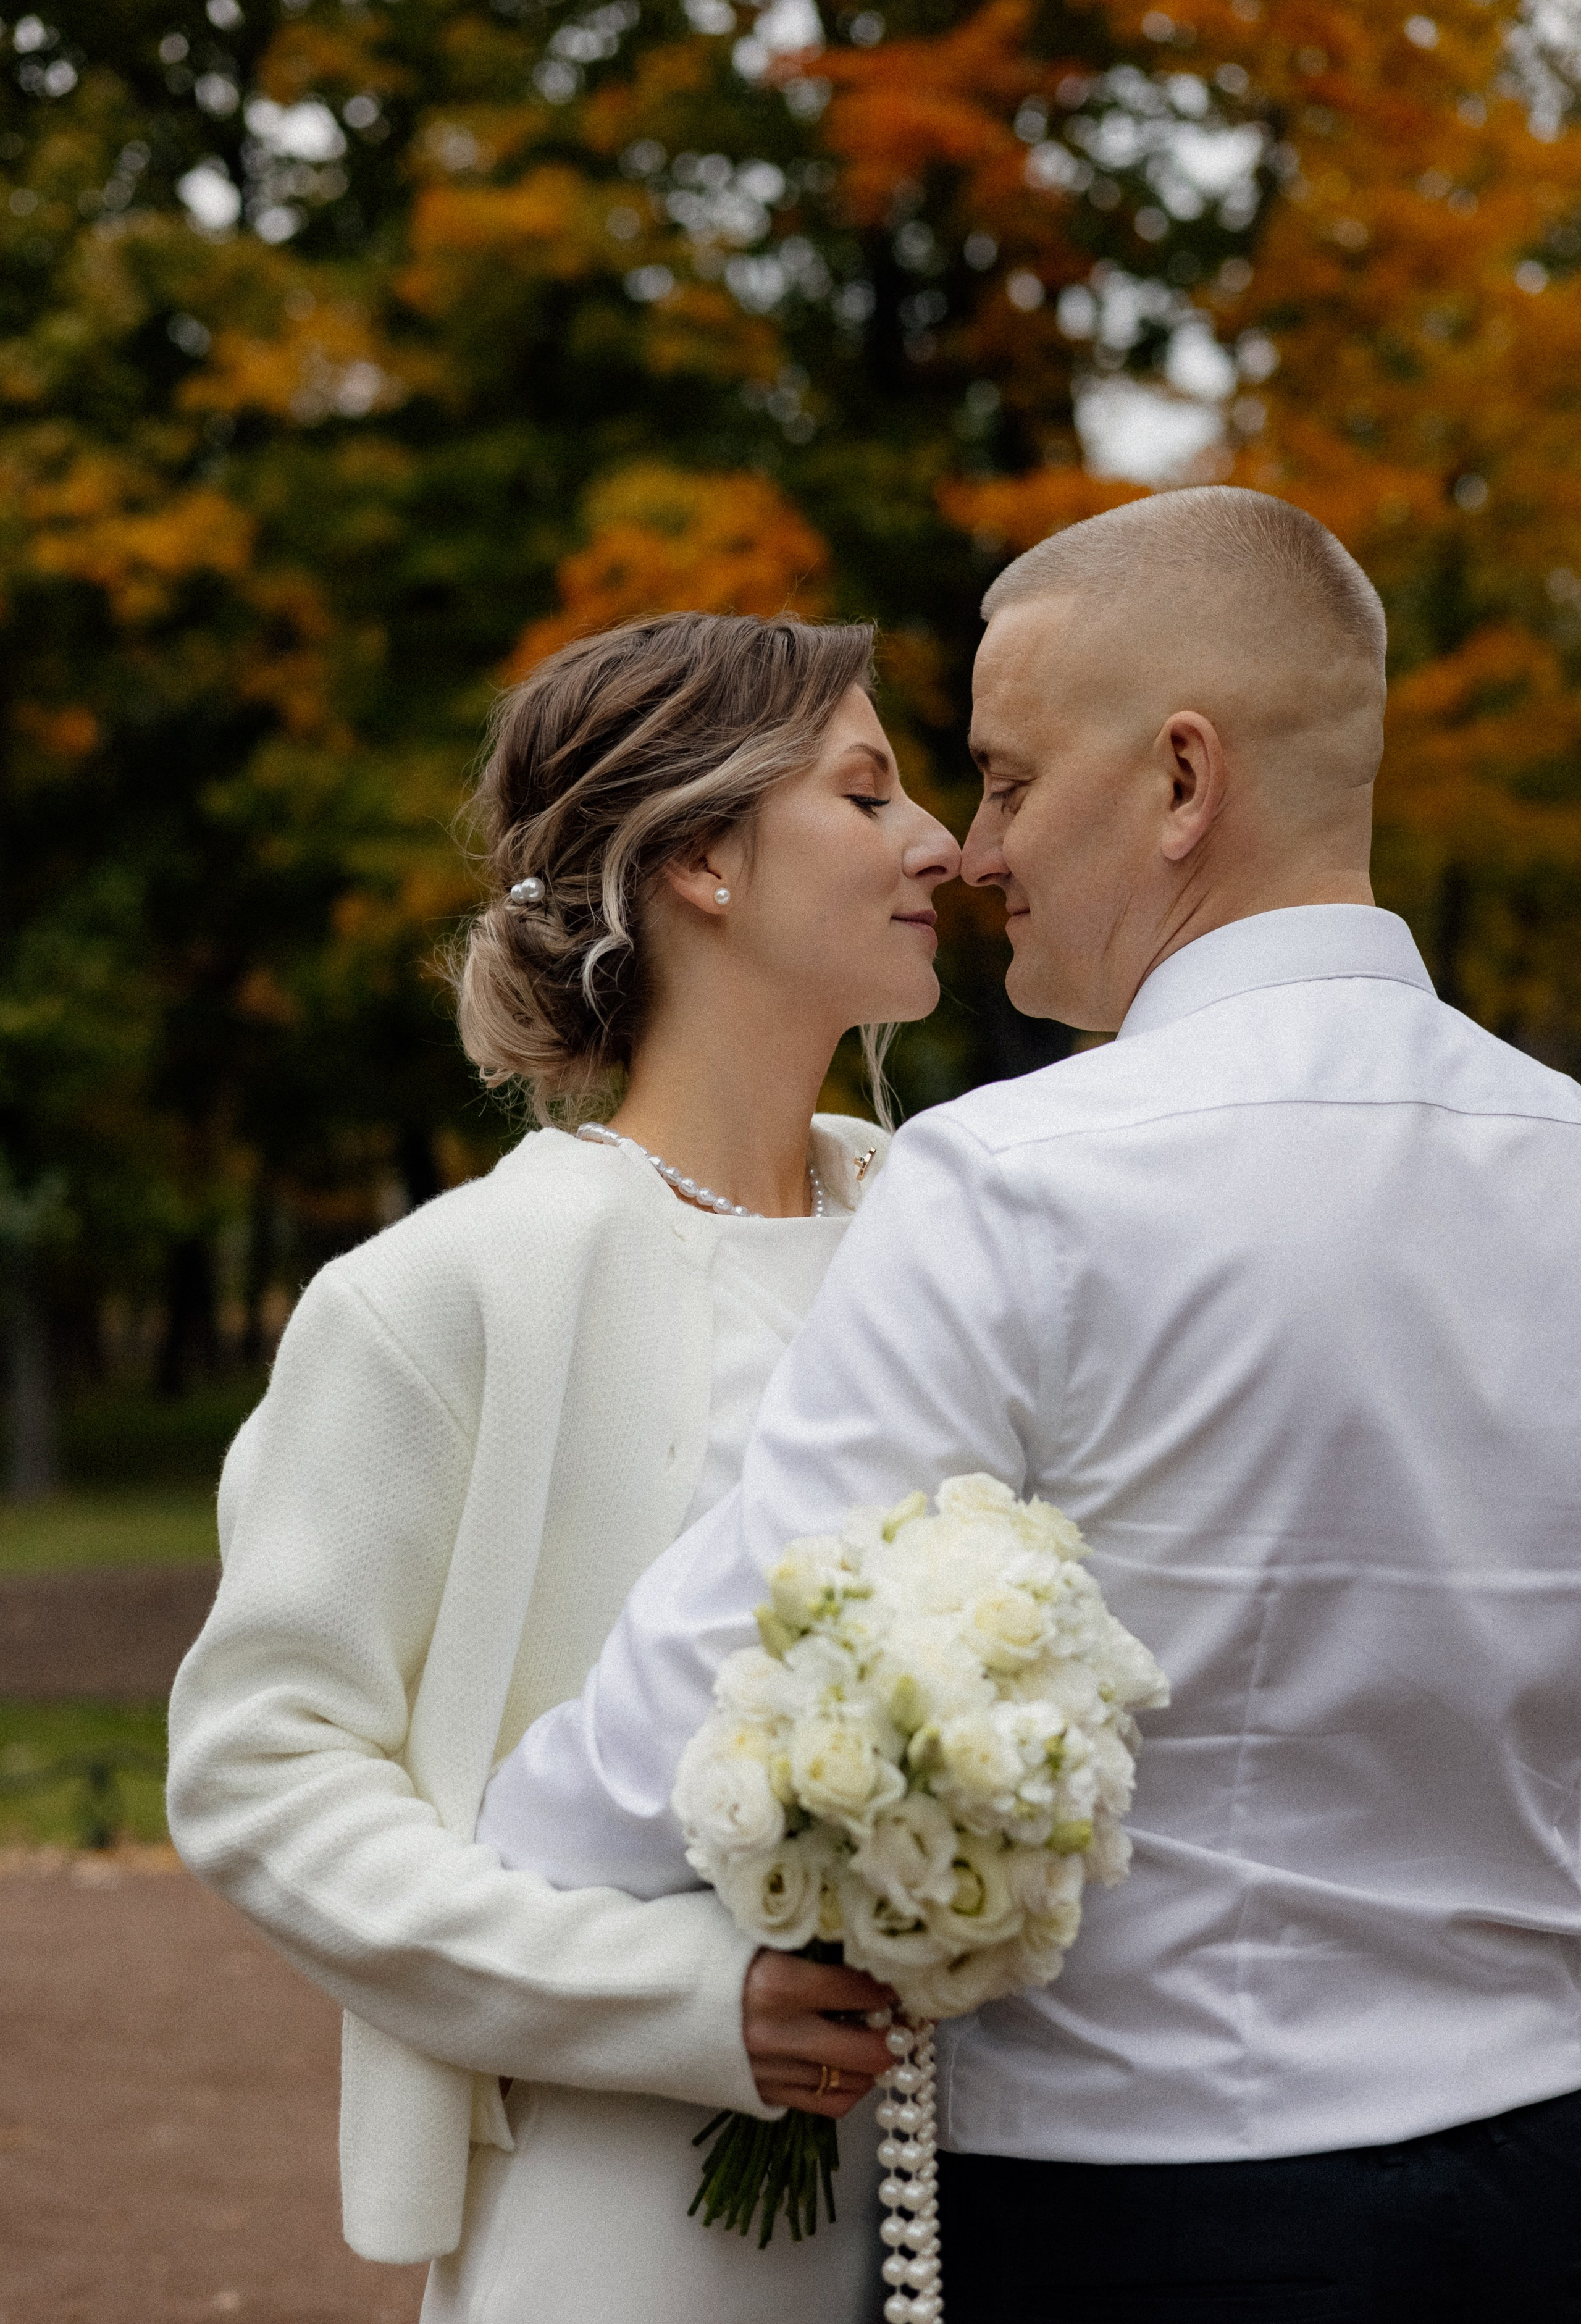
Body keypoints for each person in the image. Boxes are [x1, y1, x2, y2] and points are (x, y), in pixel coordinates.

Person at [480, 489, 1581, 2323]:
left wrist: (503, 1857)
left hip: (1146, 2216)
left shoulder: (1019, 1178)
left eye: (1002, 778)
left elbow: (743, 1655)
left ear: (1180, 784)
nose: (974, 850)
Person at [166, 610, 961, 2322]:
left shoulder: (959, 1233)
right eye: (870, 793)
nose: (941, 844)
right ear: (700, 861)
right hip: (636, 2205)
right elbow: (262, 1774)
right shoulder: (444, 1296)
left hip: (1015, 2175)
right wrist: (668, 1995)